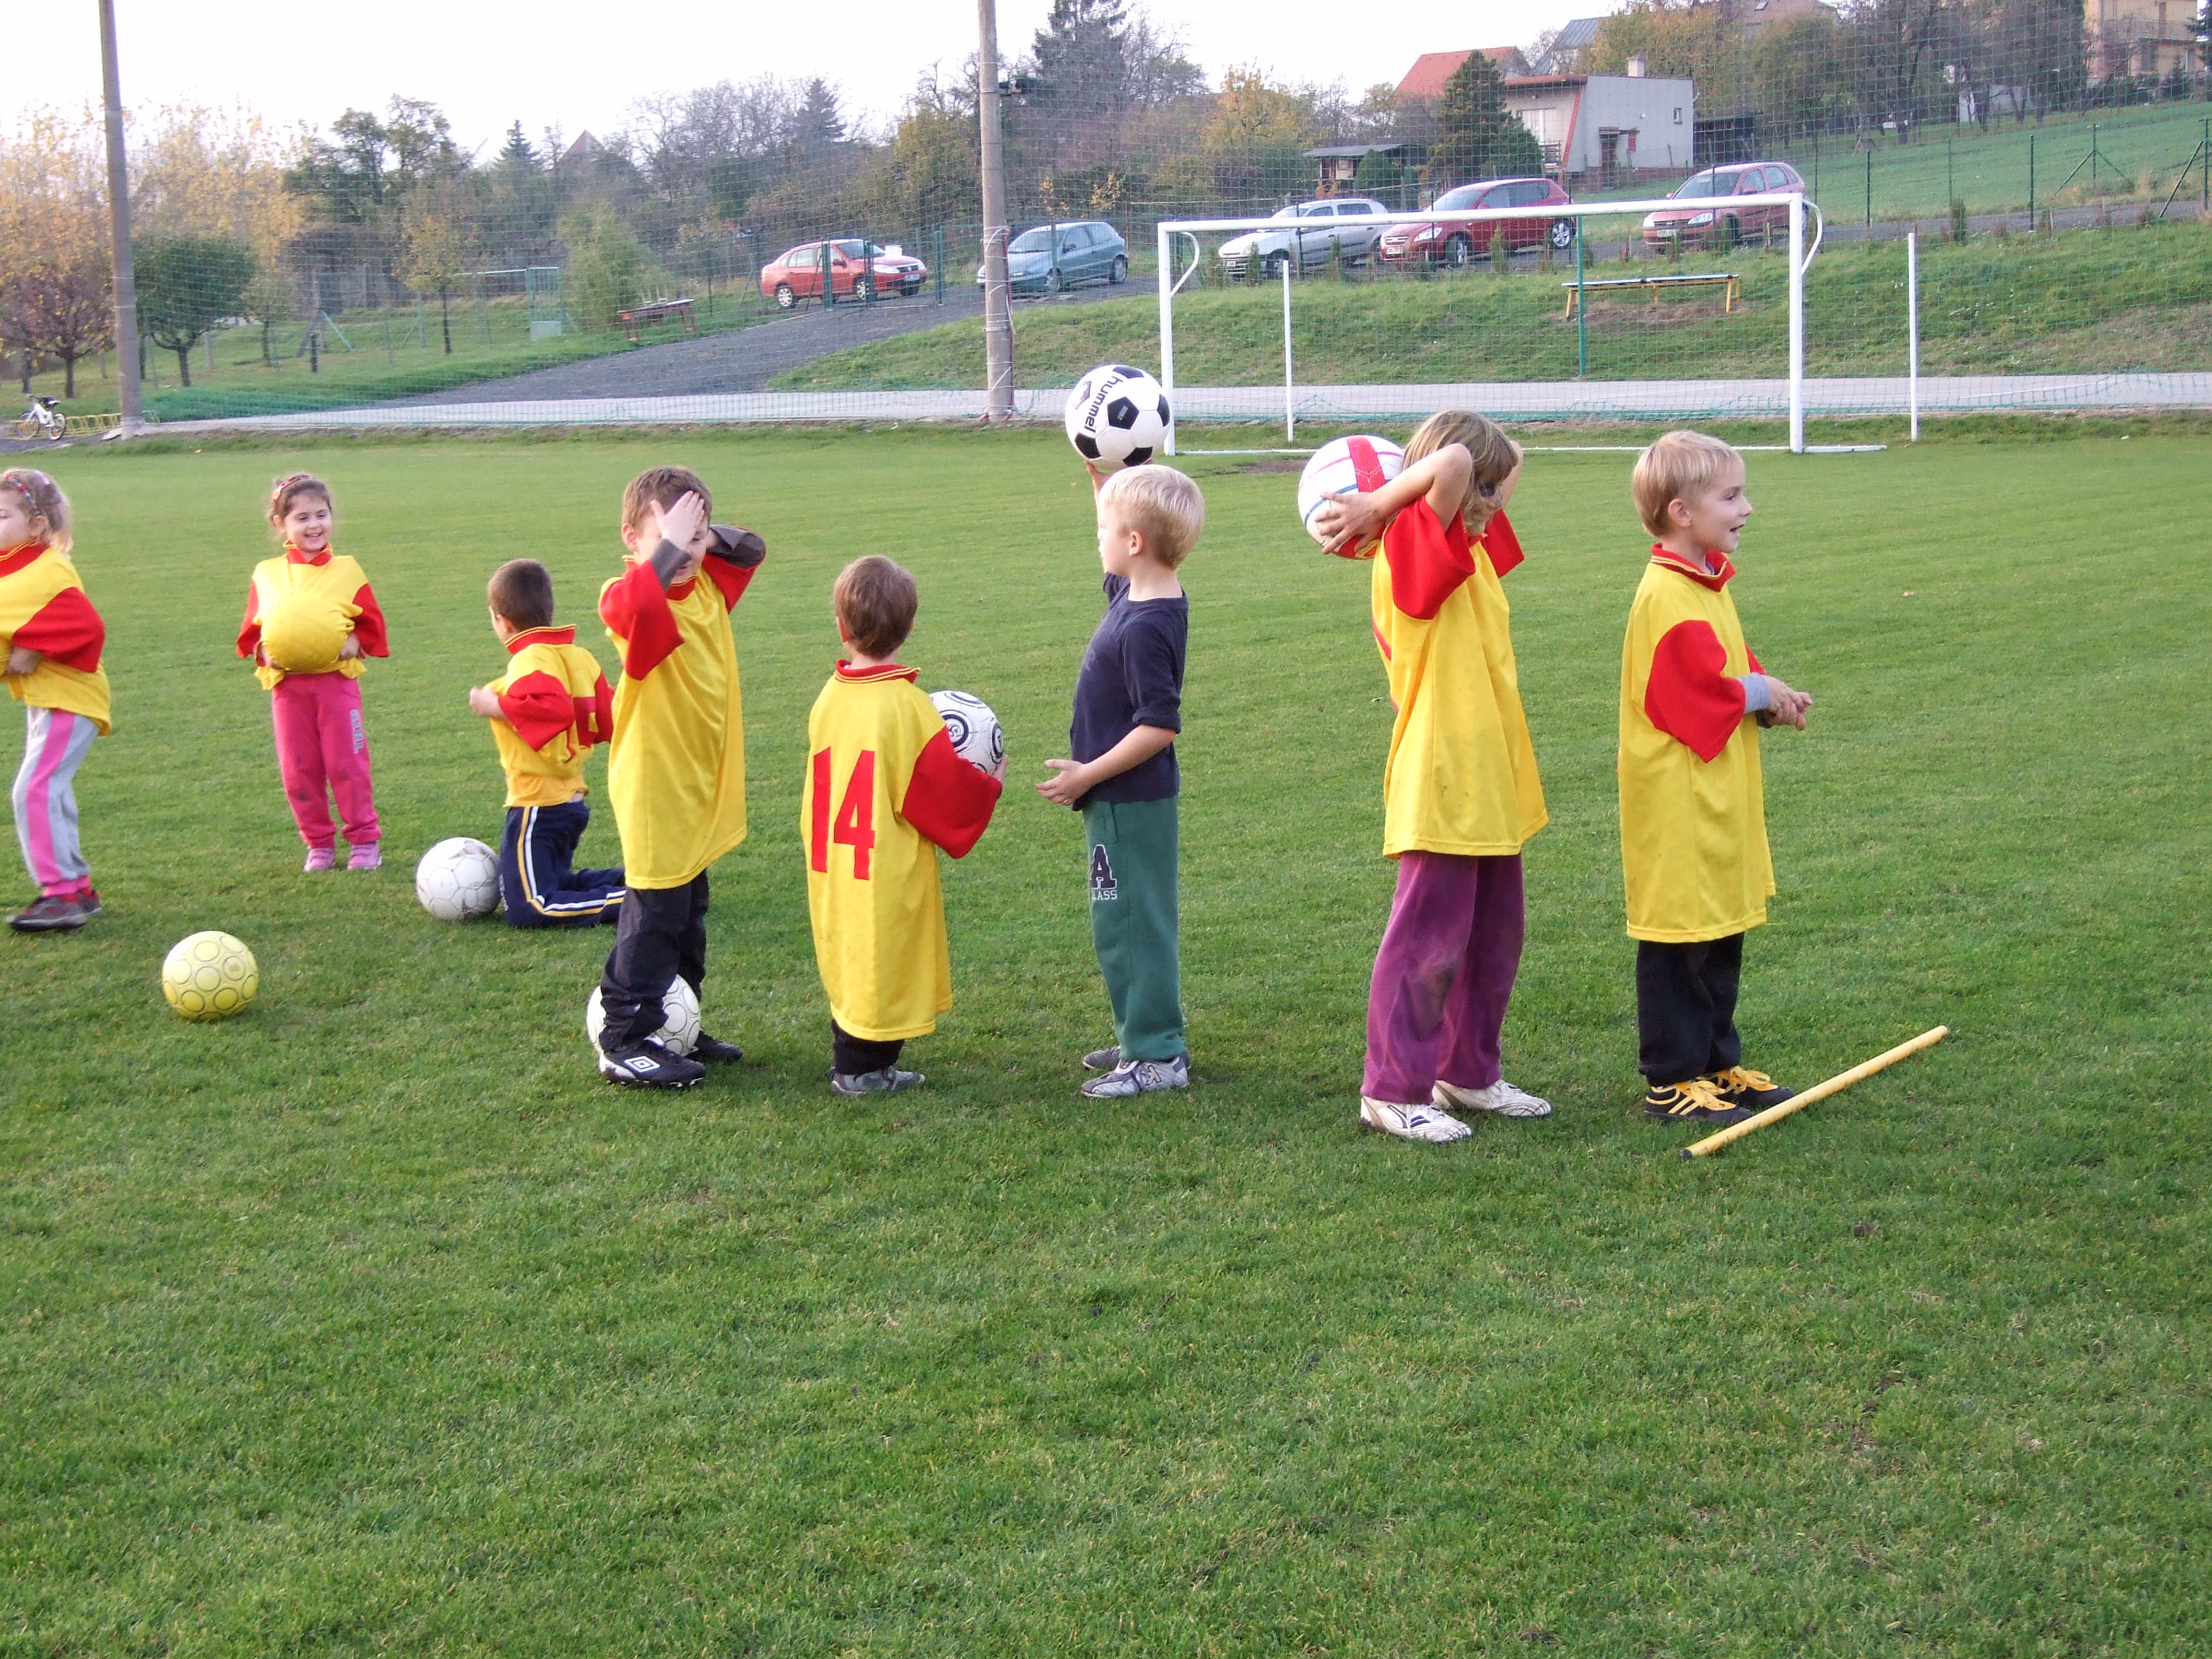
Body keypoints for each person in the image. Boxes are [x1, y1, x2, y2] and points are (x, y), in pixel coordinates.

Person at [1313, 411, 1554, 1144]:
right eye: (1485, 488)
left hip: (1491, 775)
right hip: (1443, 771)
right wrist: (1379, 504)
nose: (1494, 500)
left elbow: (1507, 460)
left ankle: (1467, 1072)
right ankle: (1391, 1089)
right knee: (1428, 944)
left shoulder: (1471, 541)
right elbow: (1452, 463)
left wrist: (1487, 469)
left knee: (1492, 939)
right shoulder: (1416, 541)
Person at [1619, 430, 1813, 1127]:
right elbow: (1690, 695)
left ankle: (1715, 1061)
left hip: (1716, 792)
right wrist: (1757, 692)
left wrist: (1771, 695)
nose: (1746, 509)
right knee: (1680, 938)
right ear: (1681, 512)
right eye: (1731, 497)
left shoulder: (1706, 585)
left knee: (1721, 931)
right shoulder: (1667, 595)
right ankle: (1671, 1077)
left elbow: (1730, 666)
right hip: (1678, 800)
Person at [803, 556, 1003, 1094]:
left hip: (835, 859)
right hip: (881, 864)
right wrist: (988, 782)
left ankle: (865, 1064)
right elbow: (943, 794)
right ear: (910, 626)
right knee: (884, 961)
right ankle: (860, 1072)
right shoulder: (909, 708)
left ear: (841, 628)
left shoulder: (830, 696)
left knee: (852, 955)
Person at [593, 466, 764, 1089]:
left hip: (696, 786)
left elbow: (751, 547)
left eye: (695, 537)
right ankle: (623, 1038)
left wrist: (699, 536)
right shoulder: (632, 597)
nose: (686, 552)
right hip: (656, 786)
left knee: (689, 916)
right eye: (668, 537)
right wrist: (669, 547)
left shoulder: (707, 587)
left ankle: (676, 1025)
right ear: (632, 538)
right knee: (654, 917)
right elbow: (632, 604)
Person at [1038, 464, 1205, 1100]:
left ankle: (1157, 1055)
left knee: (1131, 925)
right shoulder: (1138, 591)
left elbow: (1159, 725)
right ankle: (1143, 1031)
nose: (1098, 537)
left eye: (1104, 529)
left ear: (1135, 542)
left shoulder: (1145, 626)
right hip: (1120, 801)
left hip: (1128, 801)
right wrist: (1103, 478)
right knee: (1125, 922)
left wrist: (1088, 774)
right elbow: (1119, 549)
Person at [236, 473, 388, 871]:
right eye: (301, 518)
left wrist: (355, 640)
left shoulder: (347, 570)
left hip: (336, 685)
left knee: (347, 764)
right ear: (280, 524)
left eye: (321, 515)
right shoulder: (266, 574)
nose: (314, 525)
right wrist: (264, 651)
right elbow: (253, 630)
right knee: (298, 769)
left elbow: (371, 623)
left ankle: (364, 840)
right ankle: (319, 843)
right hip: (288, 690)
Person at [467, 557, 624, 929]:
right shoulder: (578, 657)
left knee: (530, 907)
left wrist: (496, 705)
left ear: (502, 621)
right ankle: (649, 884)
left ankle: (642, 902)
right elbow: (610, 719)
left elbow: (553, 709)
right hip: (570, 801)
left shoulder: (530, 659)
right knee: (556, 884)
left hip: (538, 804)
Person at [0, 469, 110, 932]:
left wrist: (35, 646)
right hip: (51, 698)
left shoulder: (43, 570)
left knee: (34, 790)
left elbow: (88, 628)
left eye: (2, 515)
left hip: (70, 698)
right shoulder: (18, 566)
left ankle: (60, 894)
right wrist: (27, 645)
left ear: (36, 524)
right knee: (51, 791)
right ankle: (77, 888)